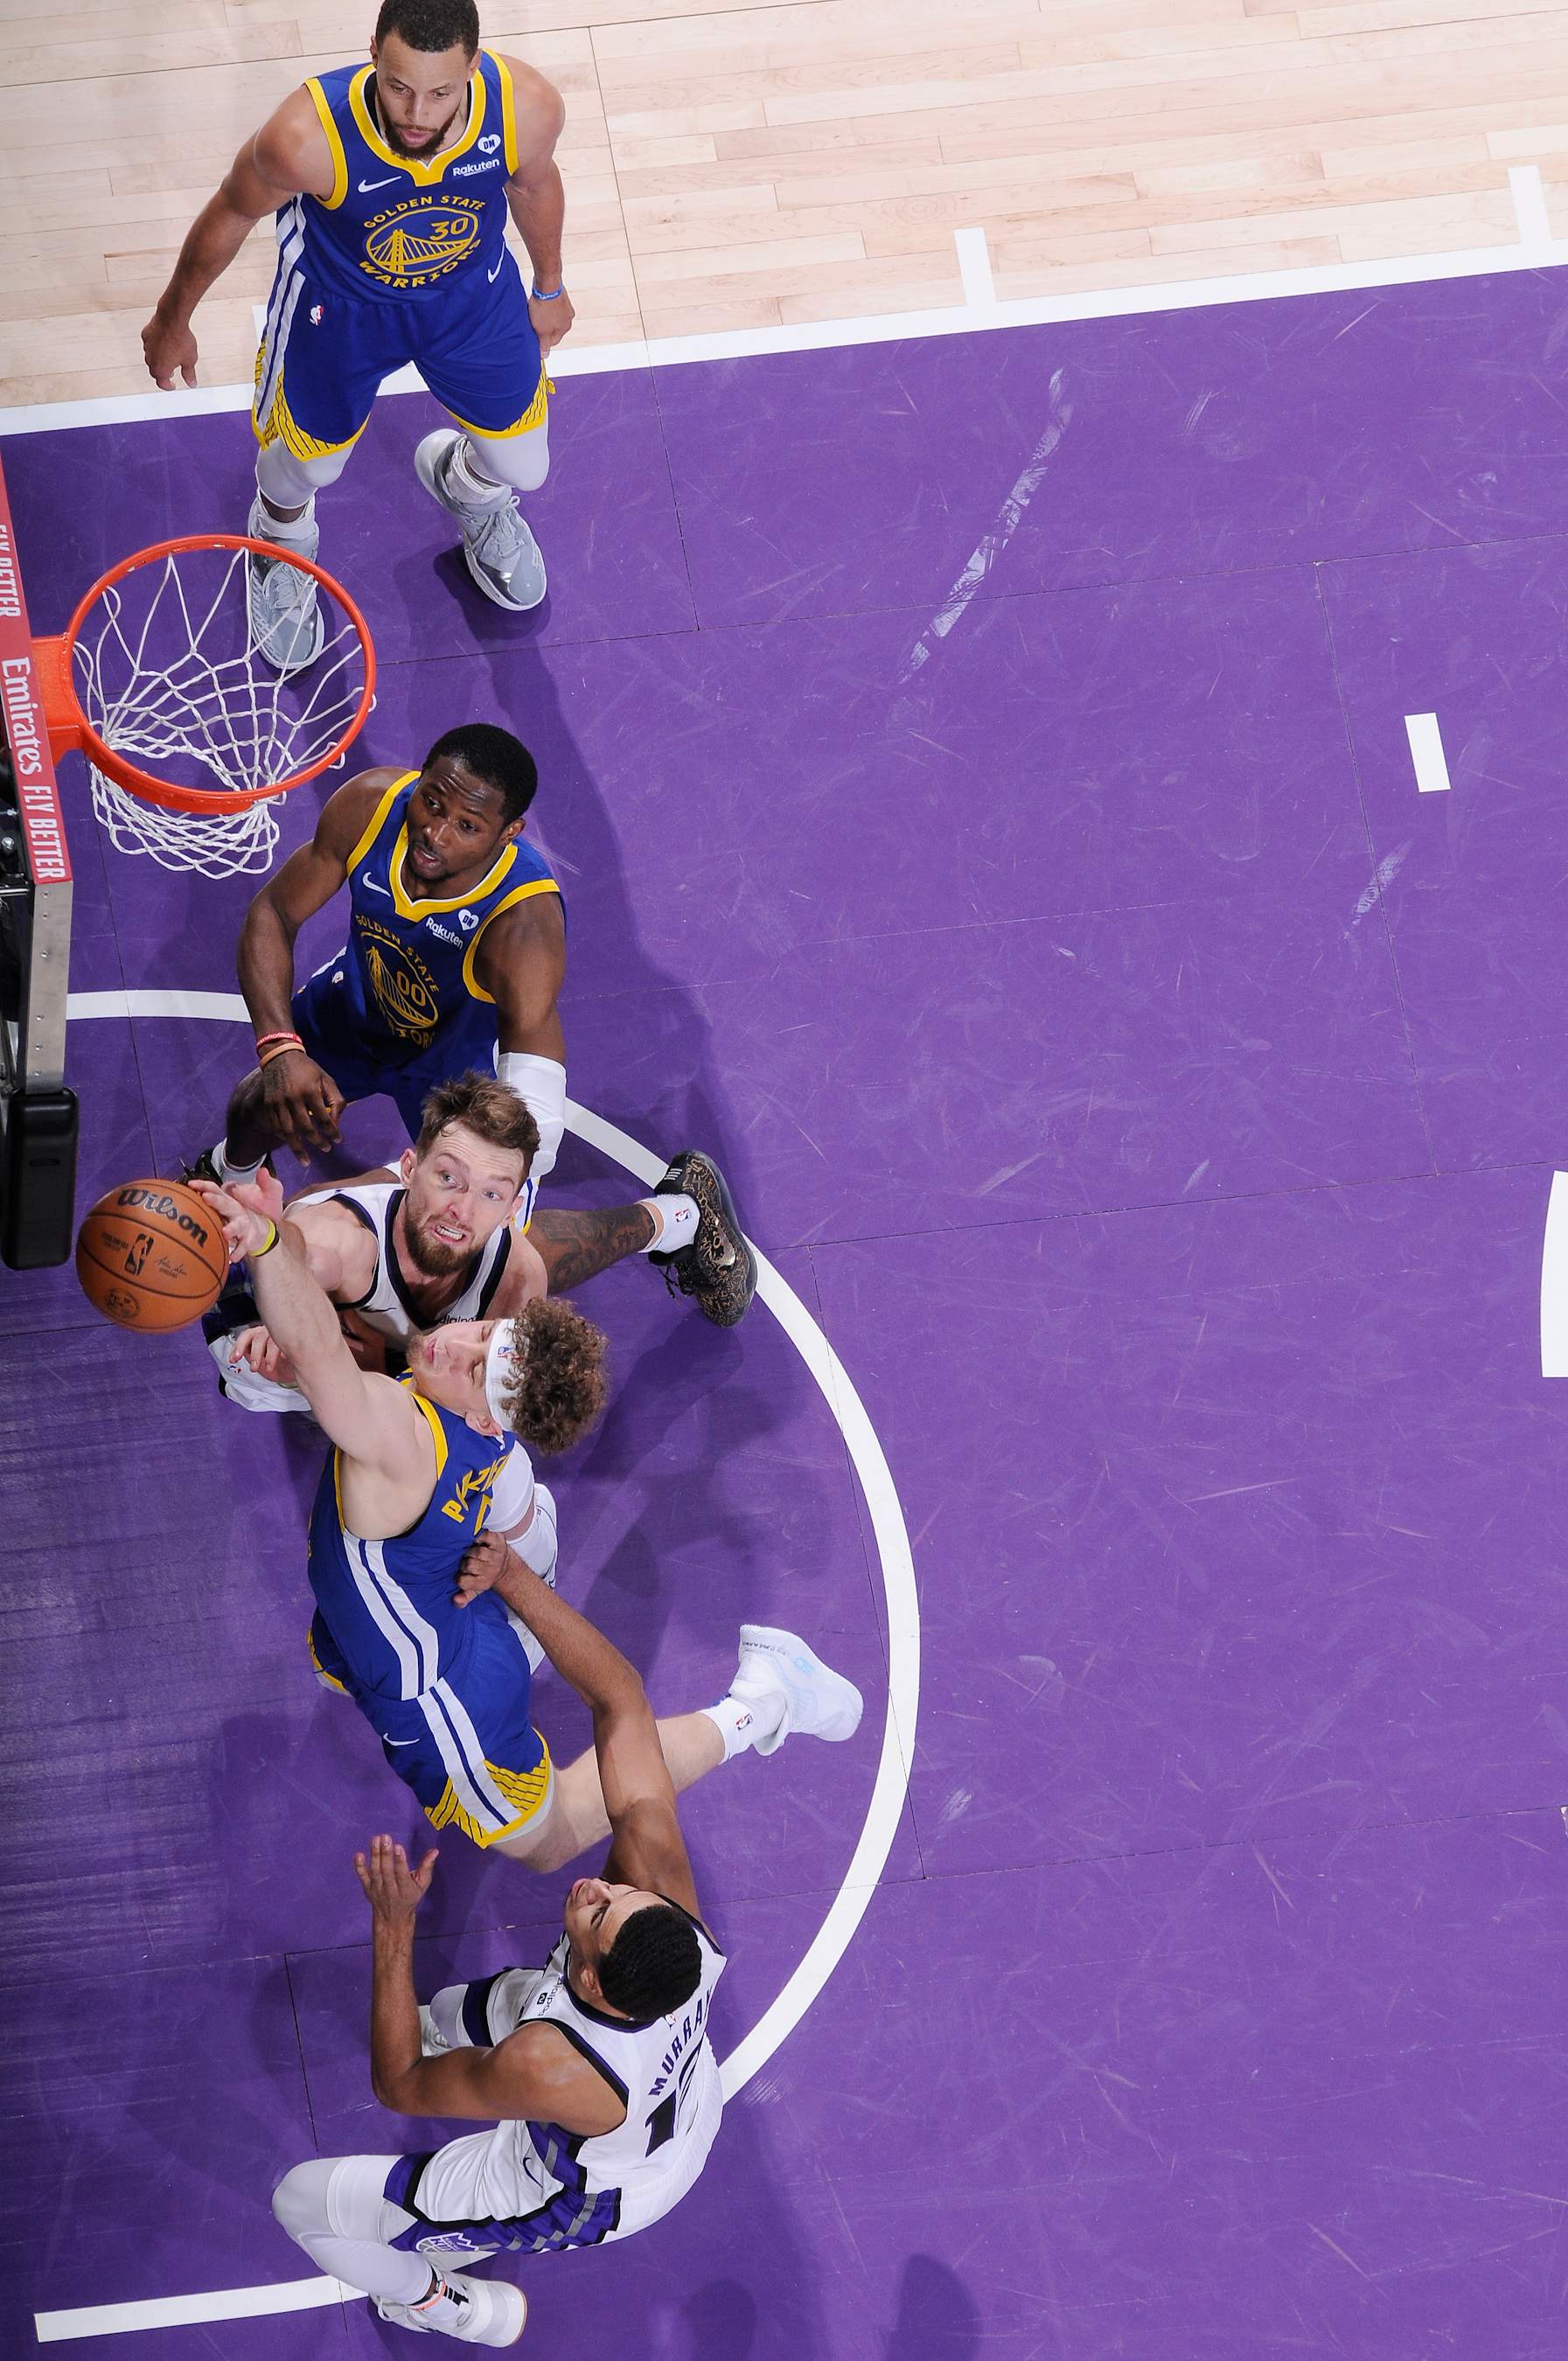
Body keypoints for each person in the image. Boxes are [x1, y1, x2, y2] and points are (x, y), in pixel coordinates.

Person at [270, 1551, 863, 2345]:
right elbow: (622, 1702)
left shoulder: (544, 2063)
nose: (597, 1889)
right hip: (659, 2103)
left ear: (589, 1975)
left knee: (302, 2202)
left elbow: (401, 2087)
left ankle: (437, 2303)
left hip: (584, 2188)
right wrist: (511, 1575)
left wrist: (394, 1927)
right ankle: (767, 1705)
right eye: (618, 1896)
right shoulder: (659, 1907)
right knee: (454, 2012)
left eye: (598, 1913)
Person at [192, 721, 756, 1328]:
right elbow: (275, 910)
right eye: (431, 802)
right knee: (261, 1099)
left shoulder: (524, 925)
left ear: (507, 833)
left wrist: (483, 1178)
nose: (435, 832)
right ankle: (231, 1177)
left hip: (455, 1076)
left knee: (491, 1263)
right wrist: (280, 1050)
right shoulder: (370, 806)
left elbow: (533, 1073)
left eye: (467, 826)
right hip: (355, 1009)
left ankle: (678, 1216)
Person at [192, 1161, 611, 1850]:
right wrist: (286, 1239)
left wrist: (268, 1246)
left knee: (549, 1841)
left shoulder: (403, 1429)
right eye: (482, 1336)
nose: (455, 1342)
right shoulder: (486, 1426)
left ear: (485, 1419)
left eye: (474, 1367)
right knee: (508, 1522)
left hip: (445, 1697)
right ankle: (527, 1591)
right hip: (455, 1607)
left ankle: (757, 1708)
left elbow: (321, 1348)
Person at [141, 0, 575, 647]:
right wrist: (170, 318)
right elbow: (232, 212)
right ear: (371, 51)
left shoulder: (524, 105)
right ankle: (278, 539)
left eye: (440, 92)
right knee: (305, 469)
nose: (418, 114)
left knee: (525, 466)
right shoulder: (304, 136)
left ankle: (467, 489)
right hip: (339, 311)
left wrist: (549, 285)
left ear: (474, 69)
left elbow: (533, 186)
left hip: (470, 297)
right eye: (399, 87)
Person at [208, 1072, 750, 1412]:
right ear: (409, 1167)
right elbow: (307, 1252)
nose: (463, 1210)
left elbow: (477, 1410)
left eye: (493, 1195)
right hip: (263, 1322)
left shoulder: (515, 1273)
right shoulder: (344, 1242)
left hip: (413, 1303)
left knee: (536, 1262)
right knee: (278, 1384)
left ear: (515, 1207)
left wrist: (385, 1372)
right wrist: (270, 1242)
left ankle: (682, 1213)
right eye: (449, 1178)